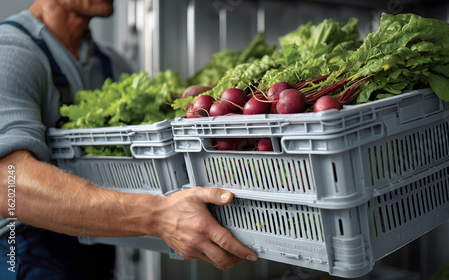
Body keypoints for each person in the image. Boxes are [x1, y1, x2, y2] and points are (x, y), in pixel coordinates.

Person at [0, 0, 257, 279]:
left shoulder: (112, 63)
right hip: (22, 255)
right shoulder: (11, 52)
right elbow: (8, 184)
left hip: (94, 252)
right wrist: (157, 216)